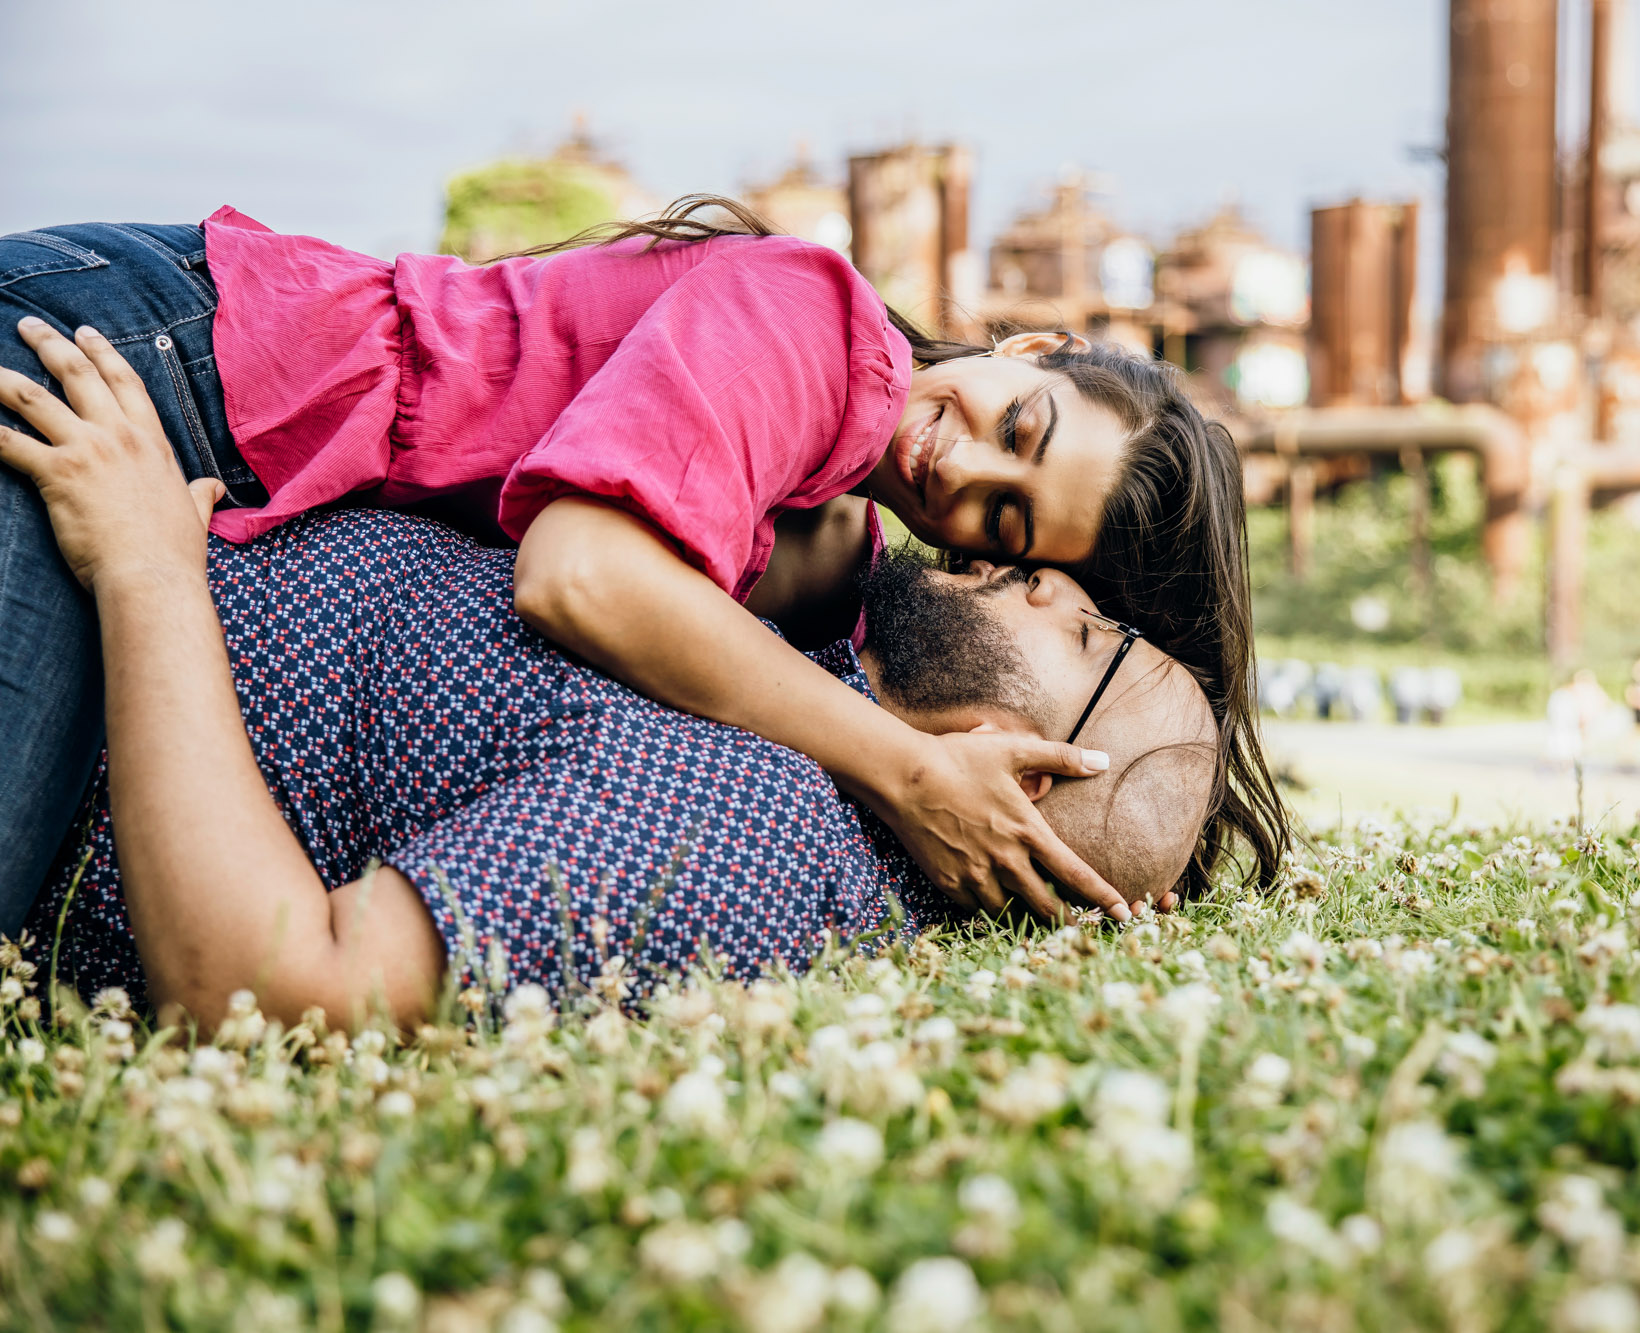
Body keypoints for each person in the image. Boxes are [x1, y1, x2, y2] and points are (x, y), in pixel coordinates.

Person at [0, 203, 1287, 930]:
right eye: (1022, 428)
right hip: (183, 362)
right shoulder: (814, 324)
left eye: (1005, 530)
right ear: (1035, 343)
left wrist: (1122, 834)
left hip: (224, 471)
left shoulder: (841, 537)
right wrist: (908, 769)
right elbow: (578, 577)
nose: (967, 475)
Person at [1, 329, 1218, 1027]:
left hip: (71, 649)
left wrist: (146, 569)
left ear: (1030, 773)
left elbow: (273, 992)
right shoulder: (825, 686)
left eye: (1092, 638)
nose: (1055, 585)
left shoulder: (745, 835)